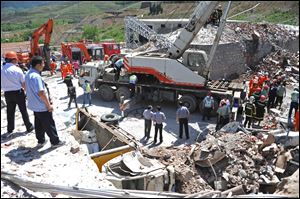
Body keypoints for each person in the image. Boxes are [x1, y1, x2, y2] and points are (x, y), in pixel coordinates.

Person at [25, 56, 64, 147]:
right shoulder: (36, 76)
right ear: (38, 65)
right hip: (41, 105)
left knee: (38, 123)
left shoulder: (28, 74)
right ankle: (55, 142)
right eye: (43, 63)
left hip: (34, 104)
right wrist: (48, 105)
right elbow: (41, 93)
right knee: (49, 124)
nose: (44, 65)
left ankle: (41, 141)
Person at [1, 51, 34, 135]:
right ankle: (28, 127)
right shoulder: (17, 69)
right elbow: (23, 83)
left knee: (10, 112)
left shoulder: (1, 69)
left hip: (7, 94)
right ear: (14, 59)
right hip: (18, 93)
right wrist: (28, 93)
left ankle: (10, 129)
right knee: (23, 111)